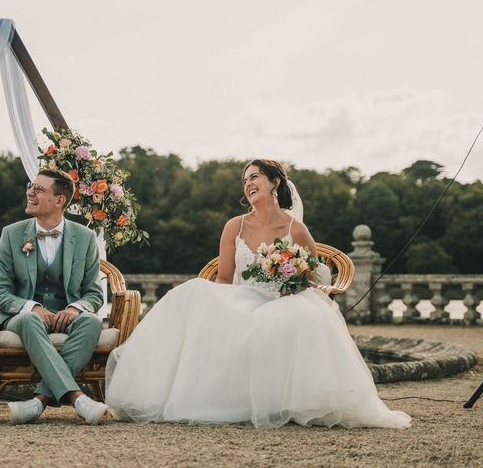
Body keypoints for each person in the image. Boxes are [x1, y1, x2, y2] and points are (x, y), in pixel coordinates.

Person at [105, 159, 411, 429]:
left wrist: (291, 281)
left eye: (254, 177)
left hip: (283, 301)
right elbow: (223, 279)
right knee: (193, 293)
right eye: (245, 180)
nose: (248, 183)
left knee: (297, 315)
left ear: (274, 182)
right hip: (240, 298)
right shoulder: (234, 227)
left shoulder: (297, 229)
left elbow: (314, 275)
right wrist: (222, 308)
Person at [0, 168, 108, 425]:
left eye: (38, 189)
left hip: (67, 314)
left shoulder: (86, 238)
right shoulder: (11, 234)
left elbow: (94, 292)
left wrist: (75, 309)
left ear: (59, 201)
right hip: (21, 316)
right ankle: (78, 398)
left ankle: (39, 401)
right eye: (30, 186)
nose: (29, 193)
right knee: (31, 321)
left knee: (91, 322)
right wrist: (32, 307)